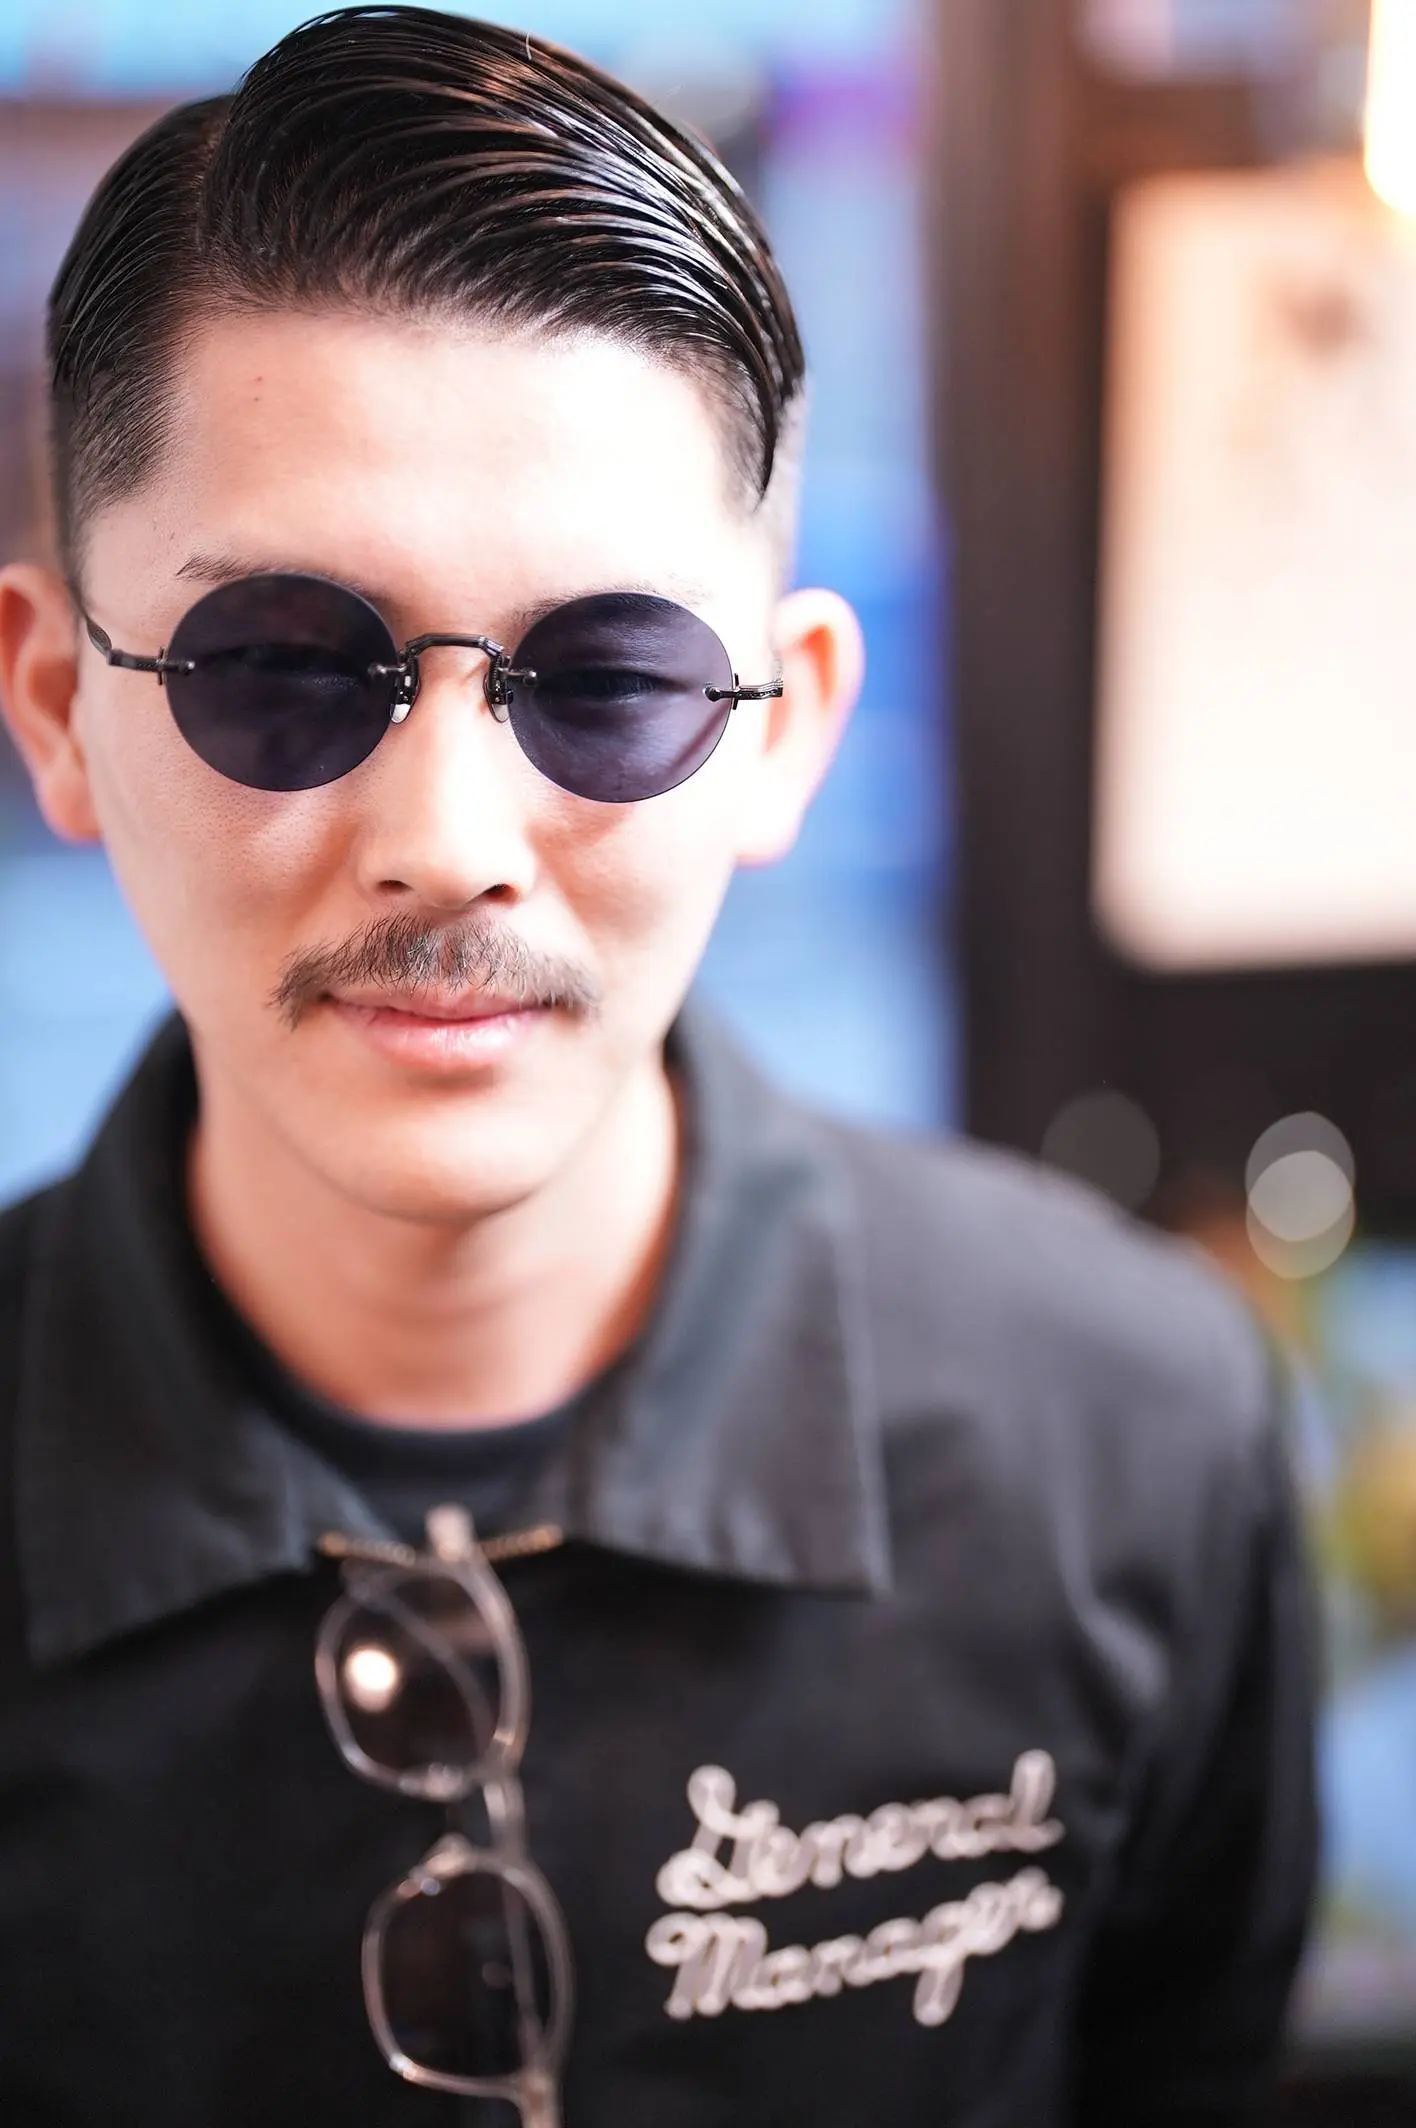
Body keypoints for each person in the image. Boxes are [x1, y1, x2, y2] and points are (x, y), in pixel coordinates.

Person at [0, 8, 1316, 2125]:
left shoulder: (1130, 1442)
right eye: (282, 669)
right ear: (61, 703)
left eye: (604, 680)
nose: (448, 837)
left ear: (786, 729)